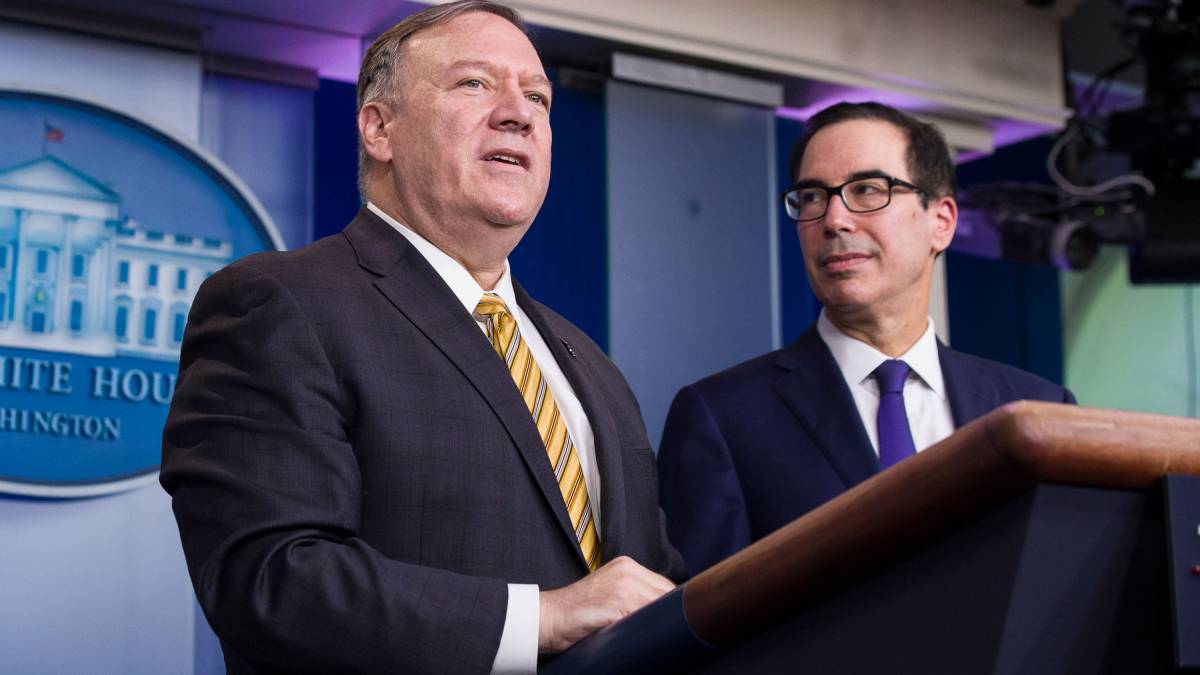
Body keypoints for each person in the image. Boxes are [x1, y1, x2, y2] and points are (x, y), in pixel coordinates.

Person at [160, 3, 684, 673]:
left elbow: (653, 589)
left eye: (537, 97)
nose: (518, 114)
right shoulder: (279, 303)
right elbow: (269, 578)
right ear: (379, 128)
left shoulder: (592, 365)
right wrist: (544, 617)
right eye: (475, 83)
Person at [656, 101, 1075, 575]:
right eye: (812, 197)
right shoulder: (724, 418)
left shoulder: (1038, 408)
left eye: (868, 190)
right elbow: (703, 612)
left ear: (941, 221)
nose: (833, 219)